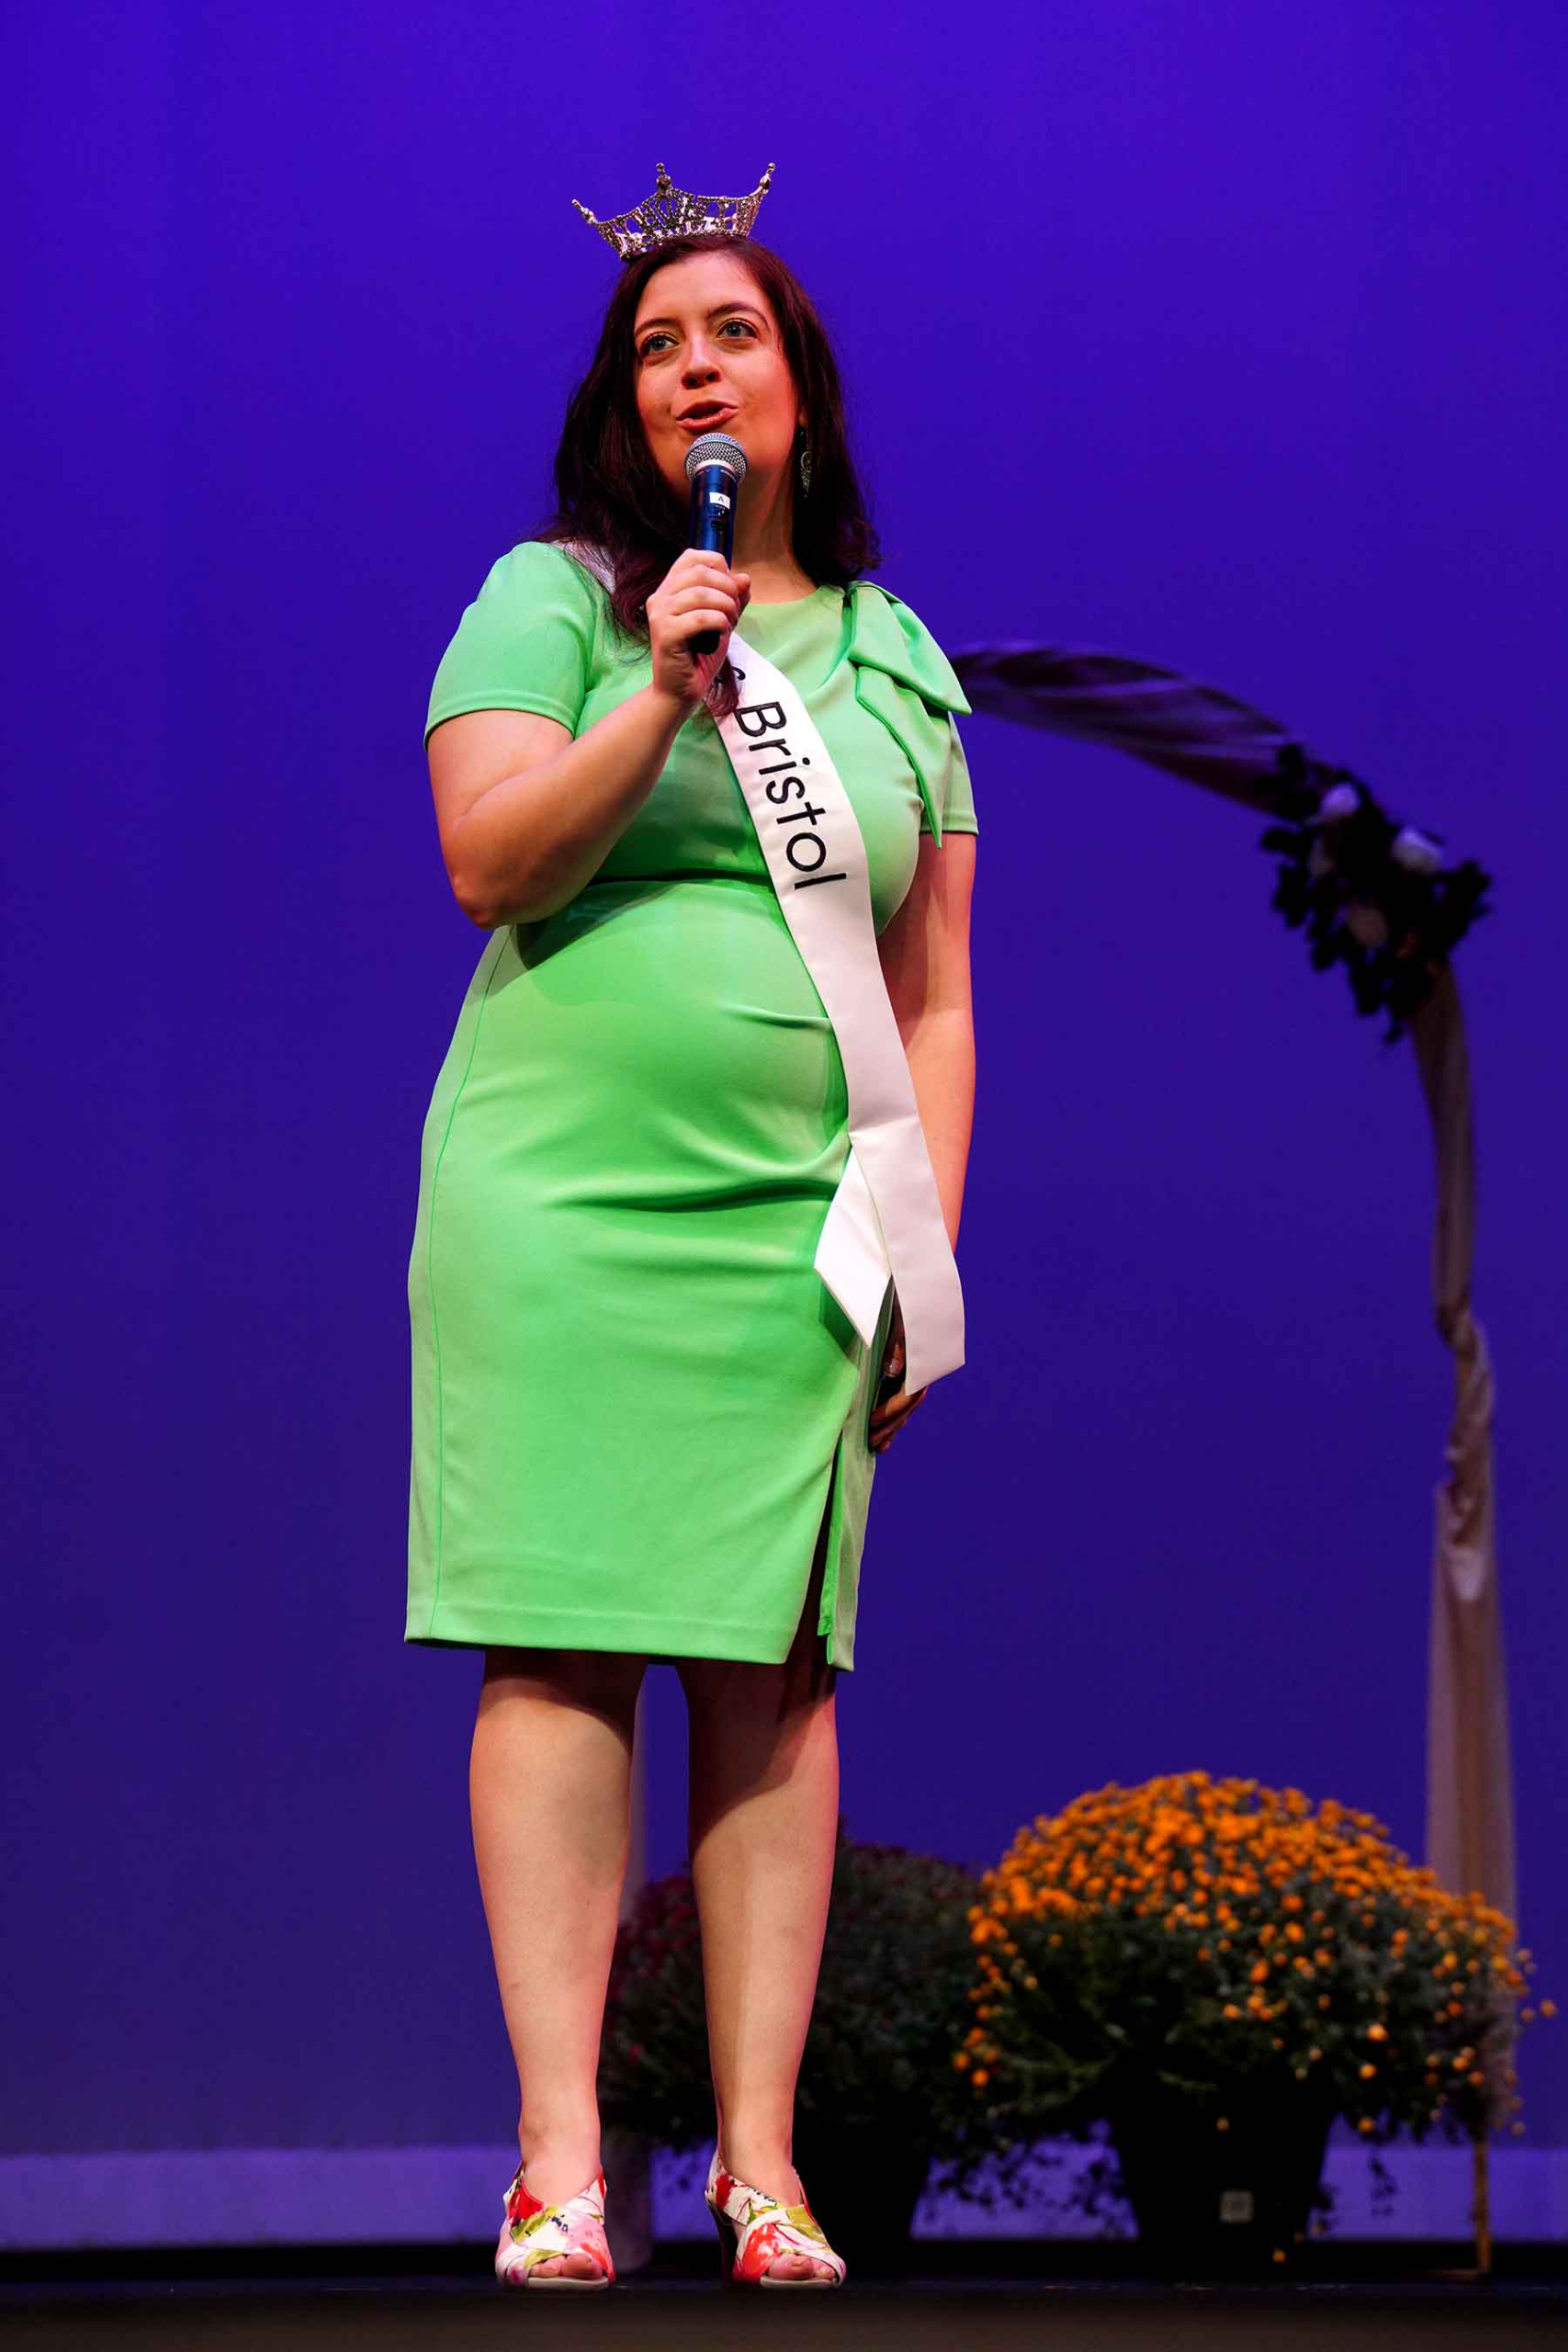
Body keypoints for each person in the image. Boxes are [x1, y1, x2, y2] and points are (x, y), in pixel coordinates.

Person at [407, 188, 978, 2289]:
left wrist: (921, 1251)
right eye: (656, 345)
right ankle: (560, 2160)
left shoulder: (899, 659)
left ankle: (761, 2163)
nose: (694, 366)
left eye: (729, 330)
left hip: (799, 1222)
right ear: (625, 406)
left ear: (796, 386)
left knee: (772, 1658)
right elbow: (488, 860)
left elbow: (936, 994)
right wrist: (660, 690)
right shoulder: (556, 596)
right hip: (558, 1206)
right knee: (559, 1638)